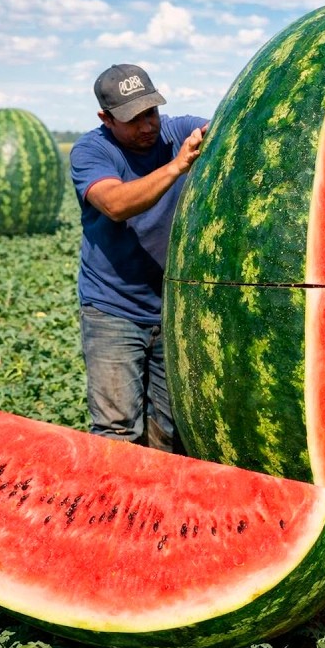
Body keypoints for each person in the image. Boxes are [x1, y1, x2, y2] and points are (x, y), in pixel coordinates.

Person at [69, 63, 208, 453]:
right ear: (106, 118)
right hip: (113, 310)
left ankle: (152, 511)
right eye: (133, 119)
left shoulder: (176, 130)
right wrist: (178, 166)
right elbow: (114, 203)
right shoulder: (91, 151)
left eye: (151, 112)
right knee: (117, 431)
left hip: (171, 312)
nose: (148, 126)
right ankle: (109, 511)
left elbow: (233, 123)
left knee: (169, 432)